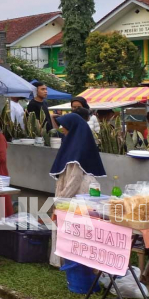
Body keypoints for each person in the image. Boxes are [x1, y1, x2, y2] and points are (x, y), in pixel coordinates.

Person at [49, 113, 106, 267]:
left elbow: (75, 178)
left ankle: (76, 262)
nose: (62, 130)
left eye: (65, 127)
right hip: (72, 191)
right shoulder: (73, 142)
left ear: (72, 128)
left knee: (75, 226)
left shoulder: (77, 147)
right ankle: (65, 260)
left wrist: (60, 199)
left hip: (78, 193)